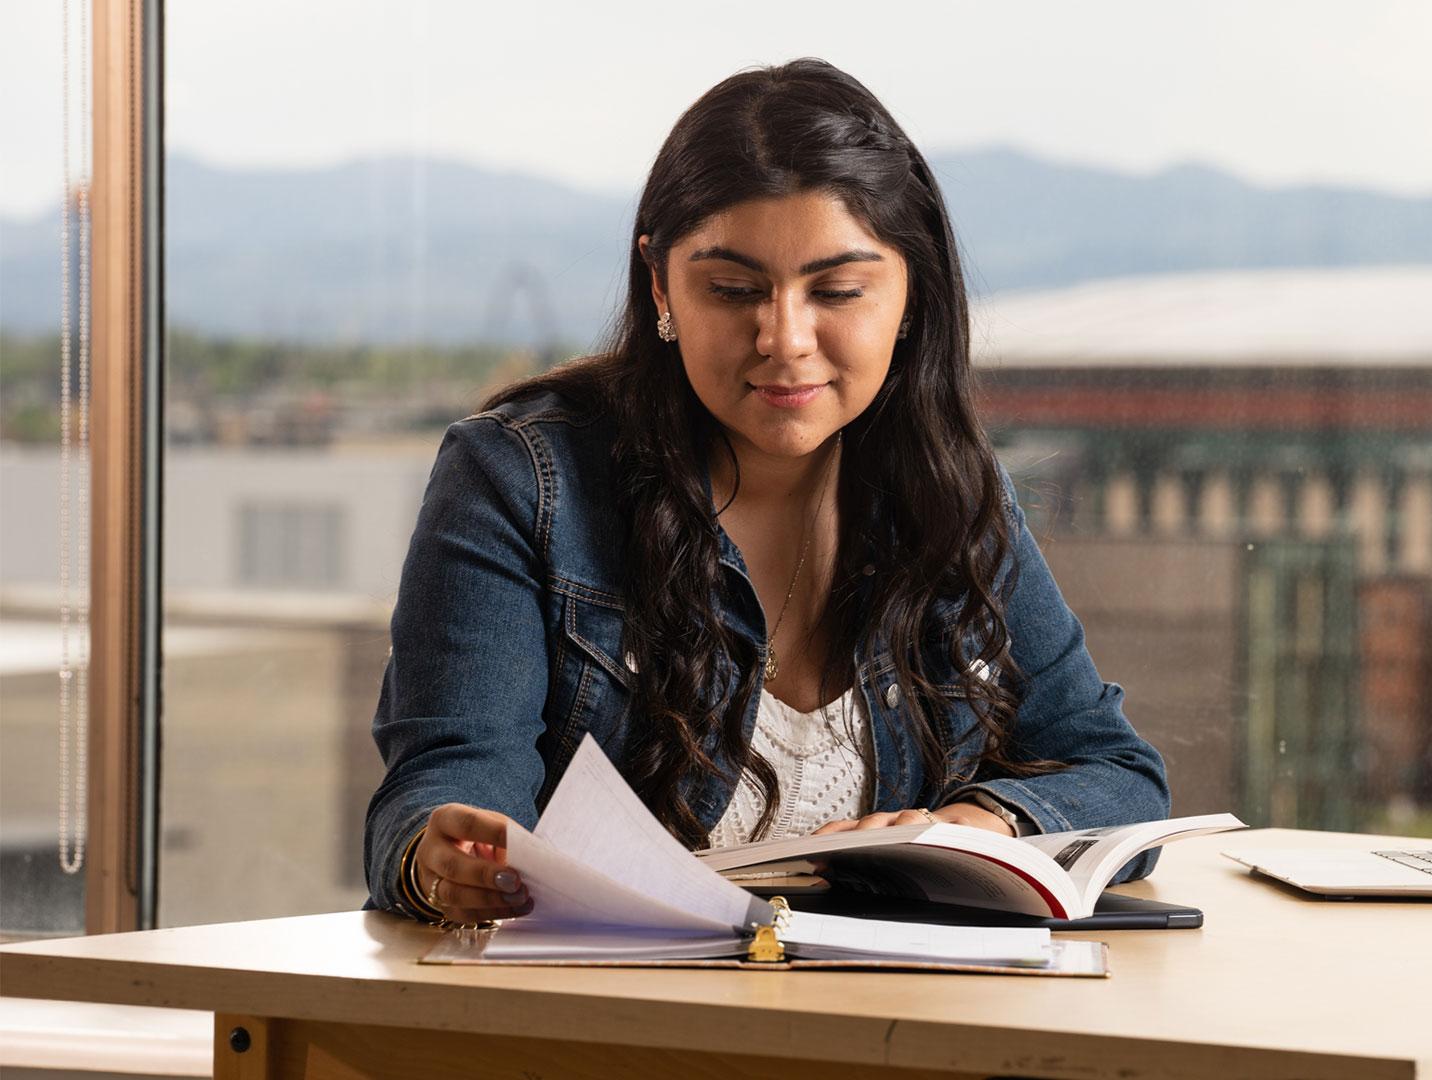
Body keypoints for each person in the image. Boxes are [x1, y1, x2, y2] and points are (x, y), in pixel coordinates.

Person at [364, 58, 1170, 926]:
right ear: (660, 283)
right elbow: (446, 783)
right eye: (735, 290)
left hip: (887, 1020)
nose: (784, 338)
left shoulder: (951, 491)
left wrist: (985, 827)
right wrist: (437, 860)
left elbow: (1116, 773)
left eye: (838, 291)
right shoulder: (519, 480)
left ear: (910, 295)